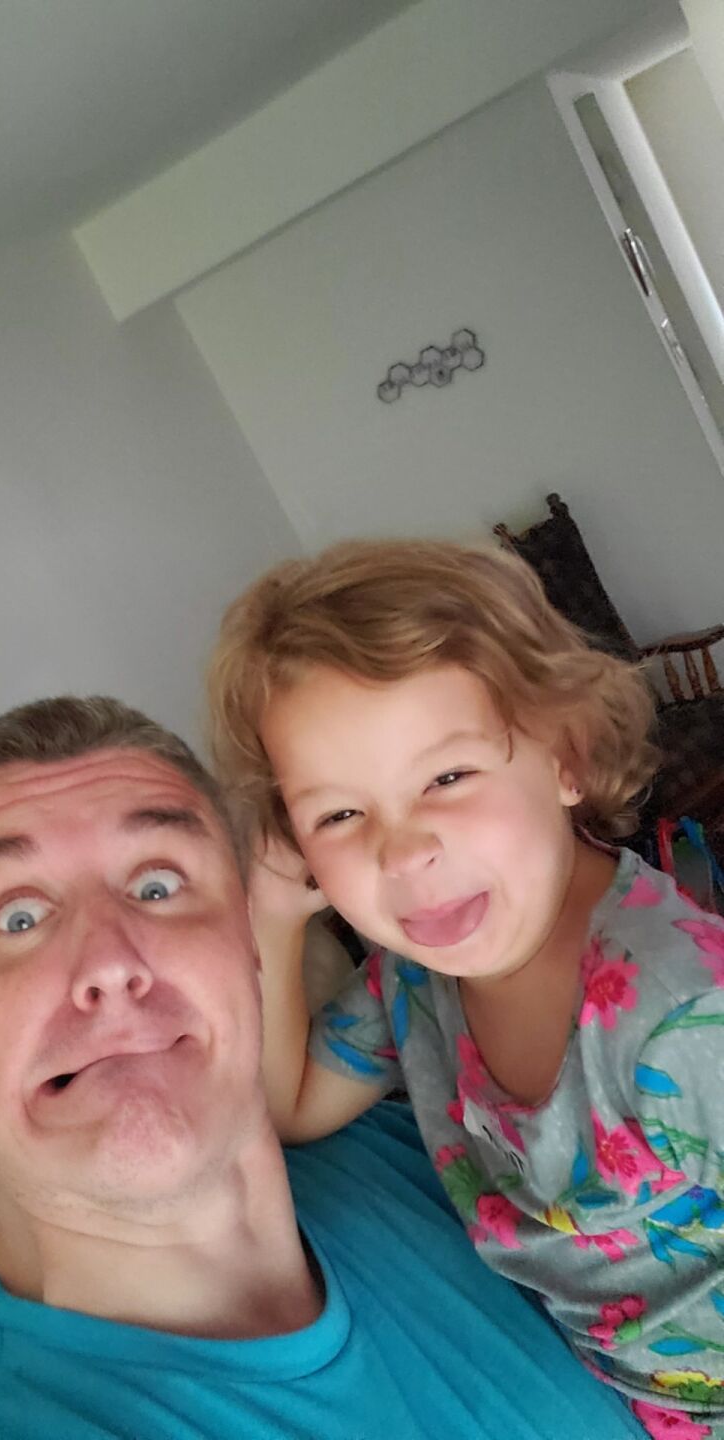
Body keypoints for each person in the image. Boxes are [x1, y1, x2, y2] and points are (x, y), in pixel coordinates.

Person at [0, 694, 642, 1440]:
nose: (110, 964)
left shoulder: (442, 1156)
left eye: (157, 886)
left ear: (250, 943)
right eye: (18, 918)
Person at [207, 539, 724, 1439]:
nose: (403, 850)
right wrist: (274, 915)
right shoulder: (414, 979)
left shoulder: (682, 1016)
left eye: (447, 777)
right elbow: (288, 1105)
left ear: (564, 758)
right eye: (339, 814)